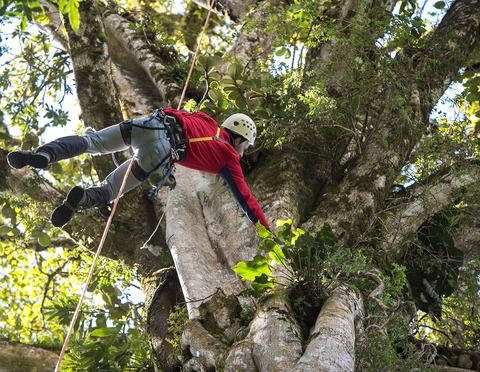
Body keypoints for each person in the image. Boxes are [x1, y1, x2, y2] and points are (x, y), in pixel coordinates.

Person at [7, 108, 270, 229]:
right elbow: (245, 197)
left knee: (91, 141)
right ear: (238, 137)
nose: (243, 151)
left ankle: (42, 155)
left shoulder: (206, 119)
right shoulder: (229, 159)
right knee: (112, 190)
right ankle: (81, 200)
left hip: (152, 126)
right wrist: (264, 227)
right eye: (245, 146)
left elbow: (182, 114)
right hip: (161, 154)